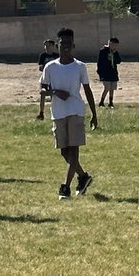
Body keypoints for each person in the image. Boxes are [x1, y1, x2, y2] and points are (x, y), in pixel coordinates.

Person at [41, 28, 98, 199]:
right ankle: (83, 176)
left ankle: (65, 187)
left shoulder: (79, 67)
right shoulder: (50, 67)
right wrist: (56, 92)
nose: (65, 47)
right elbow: (43, 89)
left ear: (73, 45)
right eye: (62, 44)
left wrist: (94, 114)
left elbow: (87, 90)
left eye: (68, 44)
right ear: (57, 45)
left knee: (73, 150)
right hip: (58, 113)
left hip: (75, 111)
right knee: (64, 151)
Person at [96, 37, 122, 108]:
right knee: (107, 88)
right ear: (110, 43)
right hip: (105, 73)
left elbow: (119, 61)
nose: (115, 46)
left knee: (112, 88)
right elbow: (100, 63)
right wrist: (100, 73)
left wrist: (115, 53)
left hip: (113, 73)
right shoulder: (103, 51)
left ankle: (111, 103)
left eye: (117, 45)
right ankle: (101, 102)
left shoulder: (115, 52)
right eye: (114, 45)